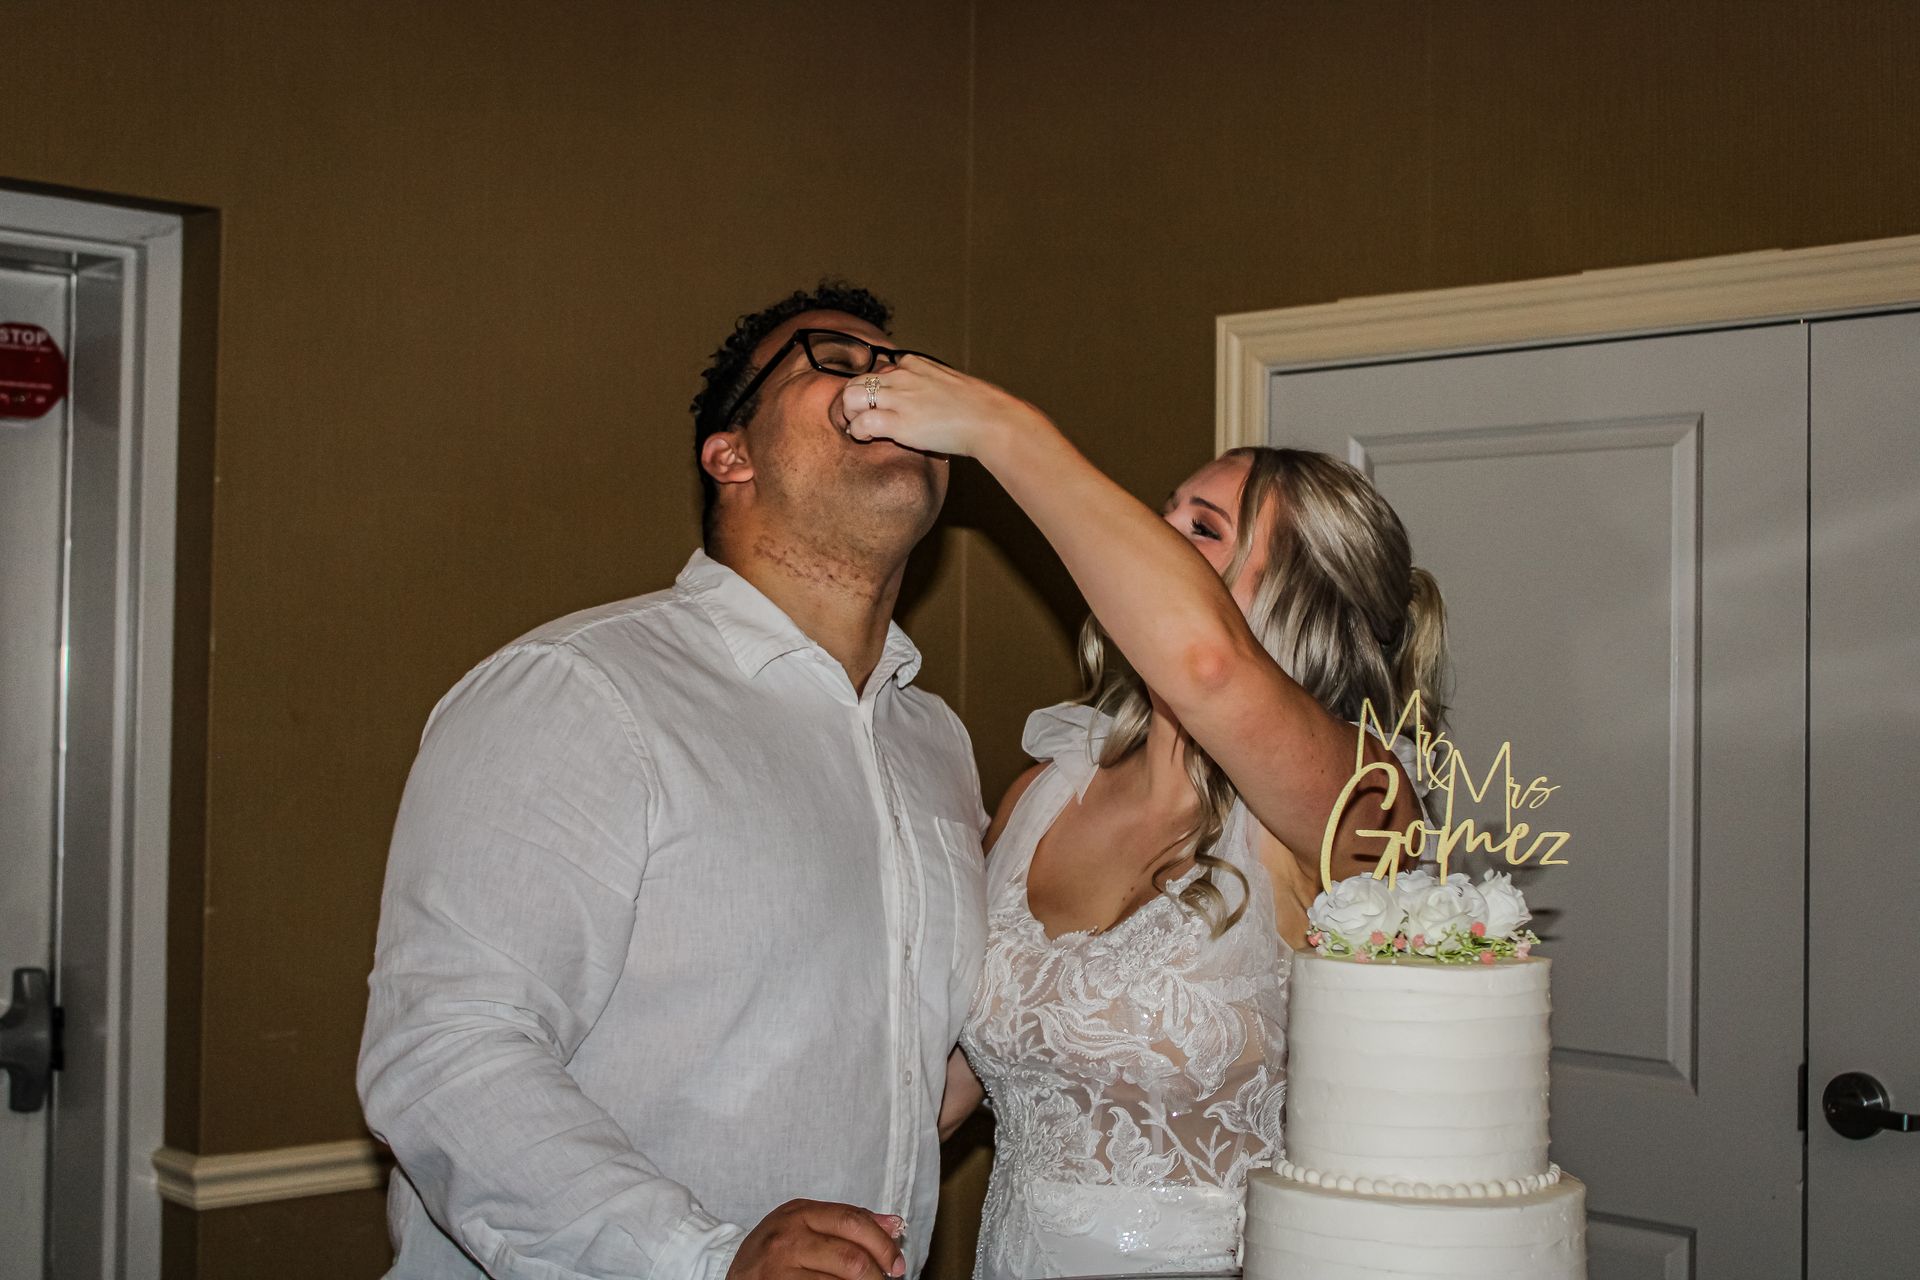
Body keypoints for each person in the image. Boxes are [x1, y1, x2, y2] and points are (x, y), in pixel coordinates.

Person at [358, 284, 987, 1280]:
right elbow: (446, 1050)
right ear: (730, 454)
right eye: (838, 361)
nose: (887, 388)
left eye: (903, 371)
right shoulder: (581, 690)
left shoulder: (934, 742)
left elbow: (905, 1066)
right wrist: (703, 1258)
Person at [841, 365, 1446, 1279]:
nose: (1145, 546)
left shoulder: (1359, 804)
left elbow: (1209, 667)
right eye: (1159, 519)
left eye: (1200, 532)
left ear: (1299, 603)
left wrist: (1005, 429)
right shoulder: (1050, 787)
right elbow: (959, 1076)